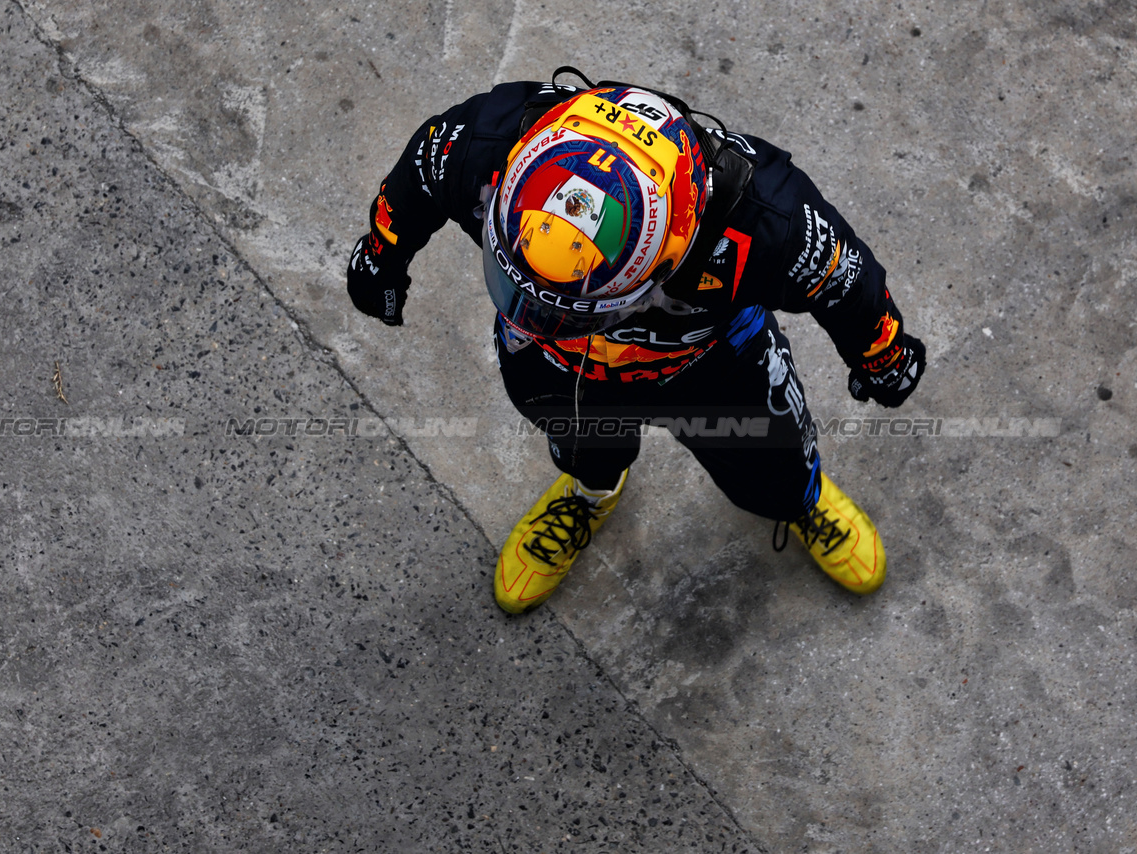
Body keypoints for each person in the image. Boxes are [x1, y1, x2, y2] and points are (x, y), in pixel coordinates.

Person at [347, 68, 926, 614]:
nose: (542, 315)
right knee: (581, 447)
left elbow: (851, 286)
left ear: (670, 256)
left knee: (772, 462)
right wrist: (382, 255)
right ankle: (592, 491)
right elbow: (416, 176)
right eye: (524, 290)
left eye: (570, 310)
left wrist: (884, 355)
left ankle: (796, 501)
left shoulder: (772, 224)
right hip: (559, 368)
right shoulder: (485, 143)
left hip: (715, 364)